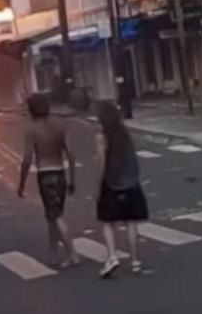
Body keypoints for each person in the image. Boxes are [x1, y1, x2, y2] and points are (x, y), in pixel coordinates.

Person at [16, 92, 79, 268]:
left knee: (56, 217)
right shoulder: (60, 124)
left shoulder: (32, 129)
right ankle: (53, 253)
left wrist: (21, 184)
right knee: (51, 216)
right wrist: (72, 179)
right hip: (60, 173)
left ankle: (72, 253)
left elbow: (27, 159)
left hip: (45, 175)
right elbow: (71, 154)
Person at [93, 100, 149, 278]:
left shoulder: (101, 136)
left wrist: (97, 184)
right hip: (130, 181)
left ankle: (112, 256)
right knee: (130, 222)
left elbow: (102, 162)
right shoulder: (125, 133)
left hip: (111, 182)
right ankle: (135, 261)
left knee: (108, 223)